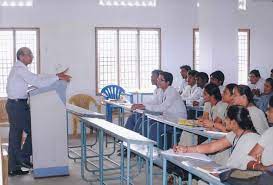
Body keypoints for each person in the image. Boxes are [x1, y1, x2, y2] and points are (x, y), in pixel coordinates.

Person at [6, 47, 71, 176]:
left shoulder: (21, 69)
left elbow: (37, 77)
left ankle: (14, 168)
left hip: (16, 105)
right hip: (17, 106)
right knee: (32, 131)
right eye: (29, 55)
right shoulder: (20, 69)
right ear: (21, 56)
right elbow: (37, 82)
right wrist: (57, 77)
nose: (32, 57)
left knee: (15, 137)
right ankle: (23, 158)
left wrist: (56, 76)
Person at [174, 105, 259, 171]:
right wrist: (186, 149)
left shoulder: (250, 139)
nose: (224, 121)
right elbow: (212, 147)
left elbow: (237, 167)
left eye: (226, 118)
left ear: (233, 122)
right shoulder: (234, 134)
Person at [133, 71, 187, 141]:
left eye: (161, 80)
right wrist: (141, 105)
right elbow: (155, 102)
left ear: (168, 83)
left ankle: (152, 150)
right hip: (167, 118)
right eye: (158, 79)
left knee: (154, 127)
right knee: (145, 123)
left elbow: (162, 107)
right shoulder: (161, 90)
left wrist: (144, 106)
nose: (158, 81)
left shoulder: (172, 92)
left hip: (177, 120)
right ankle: (137, 145)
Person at [246, 96, 273, 172]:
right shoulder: (270, 132)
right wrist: (261, 167)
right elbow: (249, 159)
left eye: (269, 109)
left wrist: (265, 167)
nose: (266, 112)